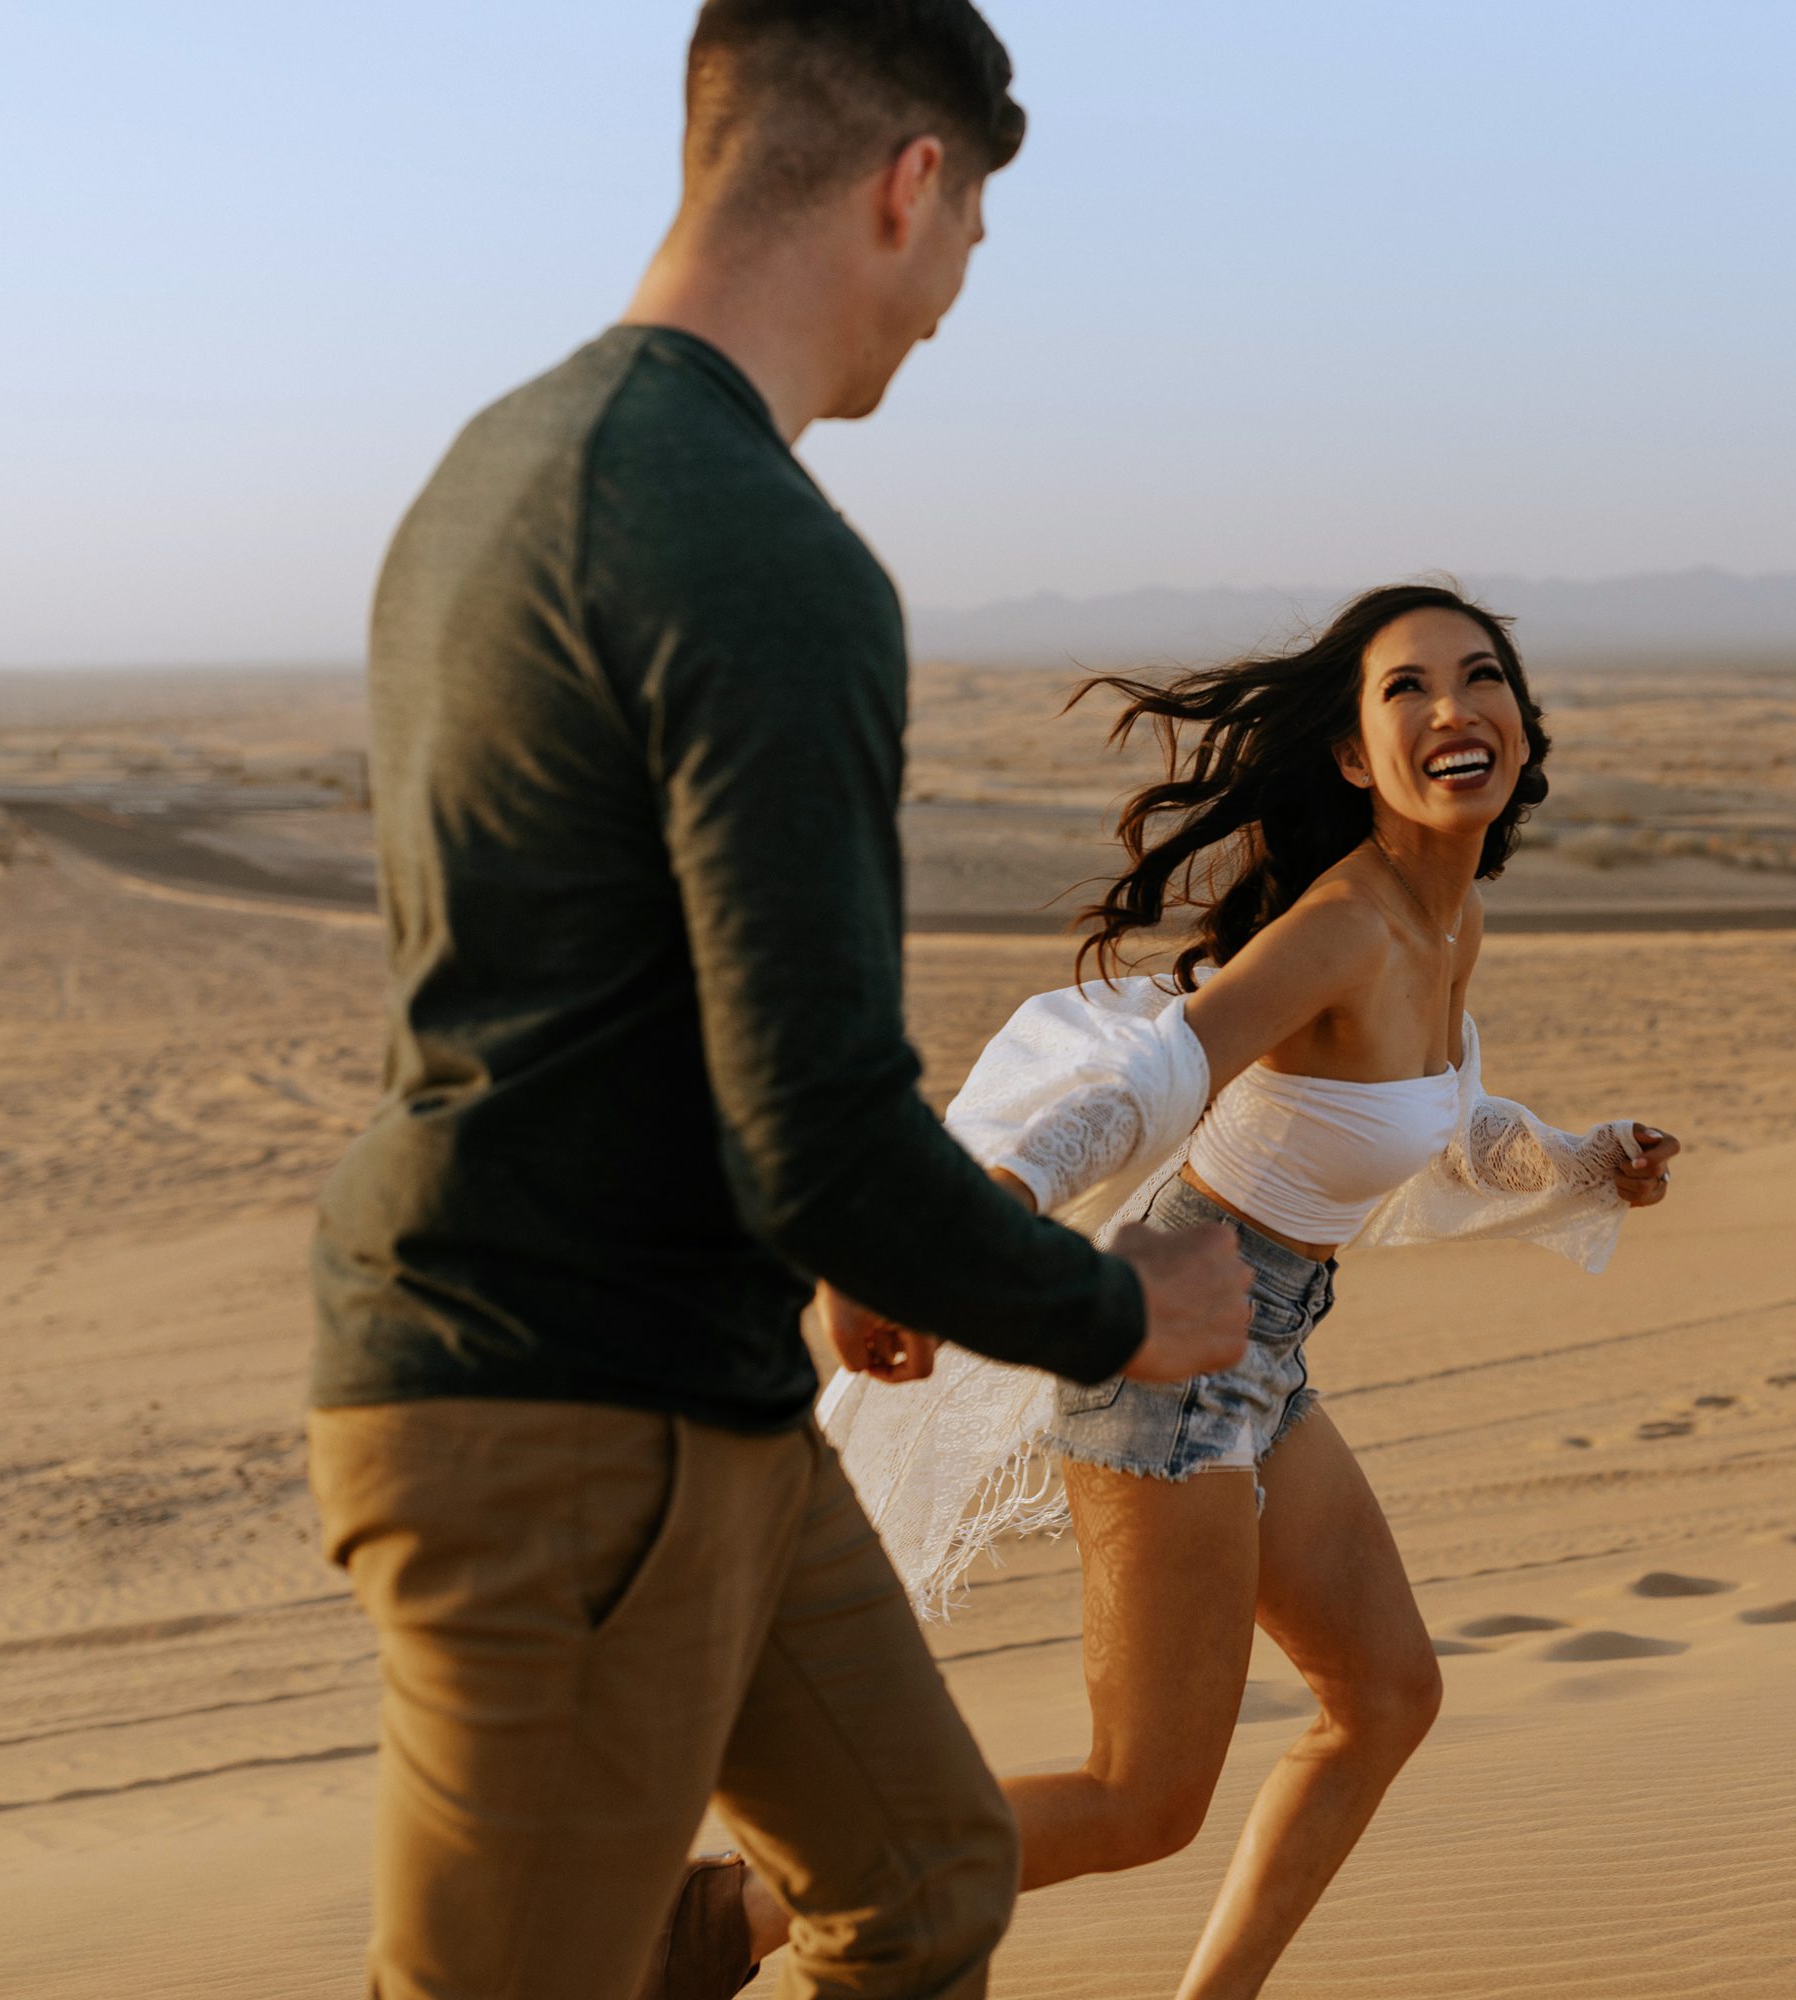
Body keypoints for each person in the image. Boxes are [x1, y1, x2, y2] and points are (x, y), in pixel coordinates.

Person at [301, 6, 1252, 1997]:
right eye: (973, 243)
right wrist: (1119, 1312)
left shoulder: (496, 471)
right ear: (913, 185)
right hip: (557, 1412)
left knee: (923, 1875)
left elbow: (620, 988)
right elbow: (817, 1105)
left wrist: (817, 1234)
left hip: (704, 1387)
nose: (948, 308)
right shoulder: (762, 554)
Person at [679, 582, 1683, 1999]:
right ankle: (736, 1915)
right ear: (1351, 757)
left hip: (1263, 1354)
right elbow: (1156, 1082)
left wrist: (1589, 1160)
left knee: (1386, 1697)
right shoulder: (1346, 928)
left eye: (1481, 676)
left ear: (1522, 720)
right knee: (1140, 1799)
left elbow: (1439, 1123)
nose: (1453, 708)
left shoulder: (1445, 927)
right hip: (1172, 1348)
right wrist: (985, 1222)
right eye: (1405, 689)